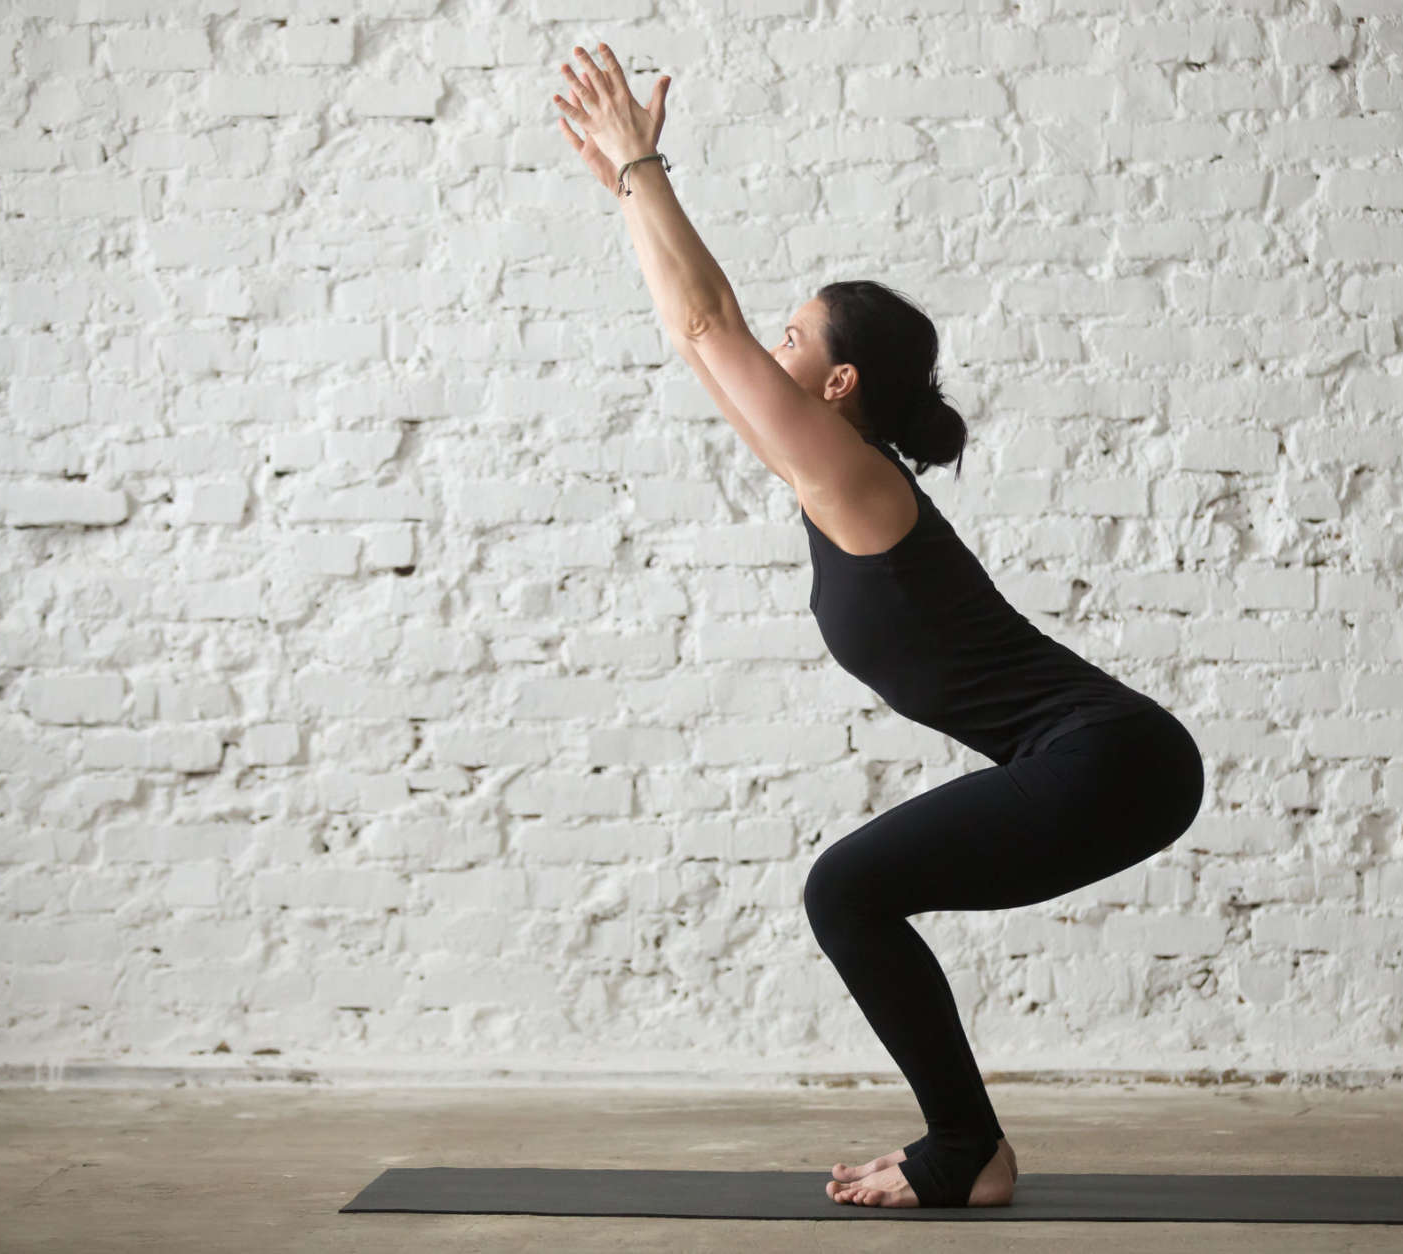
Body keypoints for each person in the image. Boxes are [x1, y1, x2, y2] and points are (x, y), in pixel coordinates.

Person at [555, 44, 1205, 1210]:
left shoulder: (857, 481)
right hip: (1104, 758)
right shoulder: (830, 476)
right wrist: (621, 186)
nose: (771, 348)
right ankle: (969, 1143)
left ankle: (965, 1149)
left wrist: (646, 162)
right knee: (851, 890)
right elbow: (689, 329)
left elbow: (710, 326)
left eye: (793, 339)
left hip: (1114, 756)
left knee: (842, 890)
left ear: (840, 385)